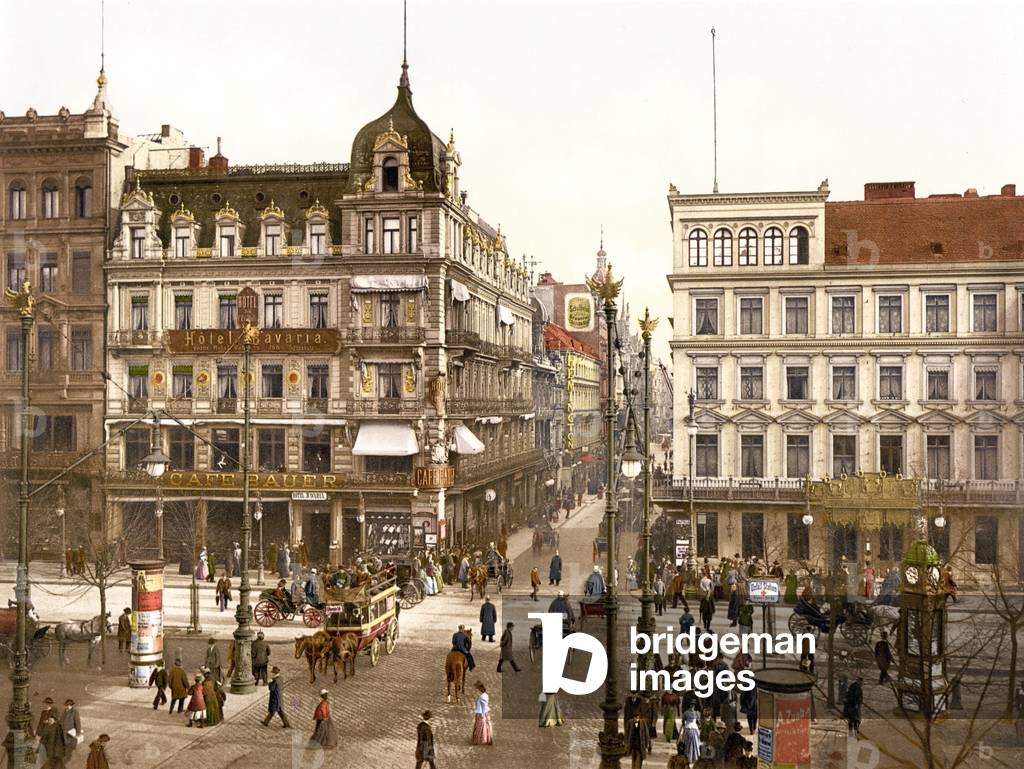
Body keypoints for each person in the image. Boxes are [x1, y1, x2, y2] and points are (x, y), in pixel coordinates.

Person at [471, 681, 493, 745]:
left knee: (479, 727)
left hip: (481, 713)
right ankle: (488, 740)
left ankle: (477, 740)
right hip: (484, 712)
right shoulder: (486, 695)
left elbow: (483, 706)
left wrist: (482, 715)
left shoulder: (482, 697)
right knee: (487, 726)